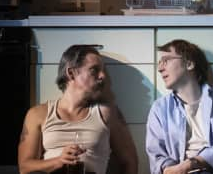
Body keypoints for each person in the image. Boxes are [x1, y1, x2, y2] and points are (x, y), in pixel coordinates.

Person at [18, 45, 138, 174]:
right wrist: (59, 161)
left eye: (102, 70)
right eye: (94, 70)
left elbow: (130, 161)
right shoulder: (38, 114)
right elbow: (25, 167)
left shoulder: (107, 113)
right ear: (71, 73)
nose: (103, 76)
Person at [146, 39, 213, 174]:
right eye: (160, 62)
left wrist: (189, 165)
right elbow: (157, 155)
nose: (160, 68)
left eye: (166, 60)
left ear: (189, 64)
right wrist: (172, 170)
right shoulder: (159, 109)